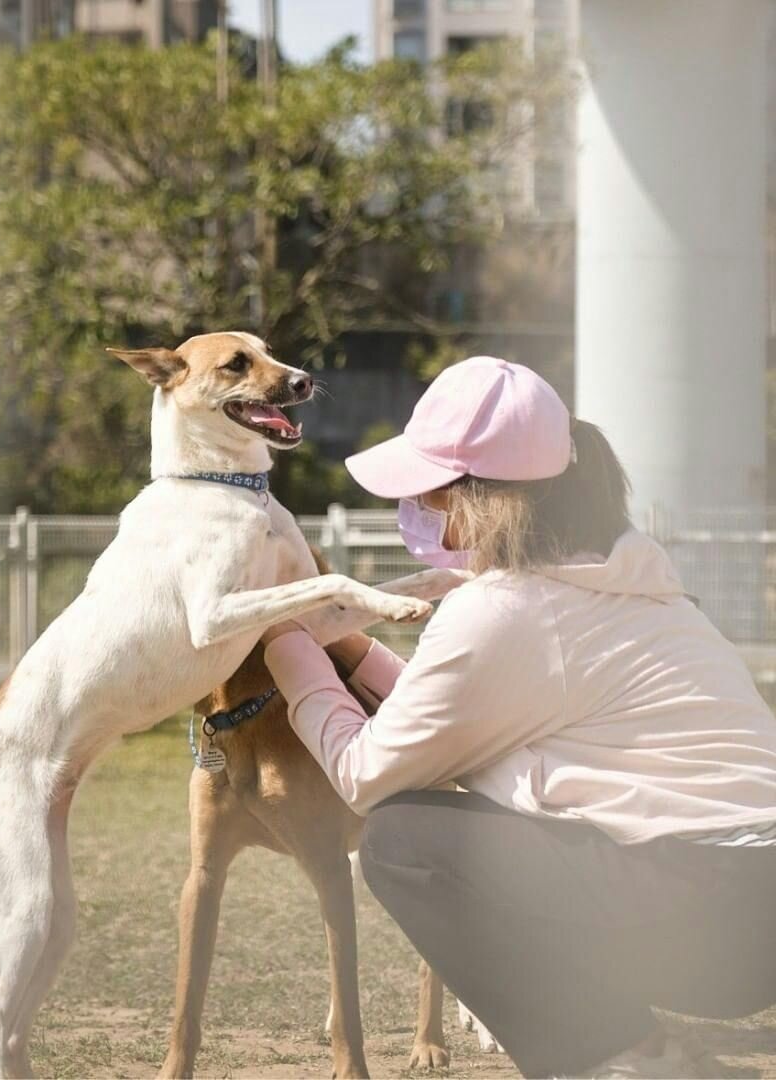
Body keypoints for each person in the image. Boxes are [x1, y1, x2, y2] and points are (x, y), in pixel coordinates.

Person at [261, 356, 776, 1079]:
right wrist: (347, 649)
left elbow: (365, 773)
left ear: (478, 498)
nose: (417, 510)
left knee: (405, 841)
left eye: (428, 493)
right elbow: (451, 719)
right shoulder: (625, 580)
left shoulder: (507, 608)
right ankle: (648, 1055)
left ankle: (626, 1061)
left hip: (705, 911)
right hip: (746, 908)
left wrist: (284, 645)